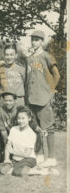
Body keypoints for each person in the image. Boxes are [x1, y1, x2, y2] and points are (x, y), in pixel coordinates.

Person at [26, 30, 60, 167]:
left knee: (48, 127)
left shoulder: (47, 56)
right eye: (32, 39)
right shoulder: (29, 58)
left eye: (36, 39)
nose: (34, 42)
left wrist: (51, 92)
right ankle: (39, 154)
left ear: (41, 41)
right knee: (35, 128)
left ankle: (51, 157)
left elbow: (57, 75)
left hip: (43, 97)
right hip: (31, 97)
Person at [0, 107, 38, 177]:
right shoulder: (13, 129)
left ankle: (39, 171)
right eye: (19, 118)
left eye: (23, 118)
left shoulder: (31, 134)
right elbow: (8, 146)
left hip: (28, 159)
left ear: (29, 119)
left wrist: (12, 151)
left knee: (17, 172)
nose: (20, 121)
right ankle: (18, 169)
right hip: (16, 160)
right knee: (0, 168)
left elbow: (27, 154)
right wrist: (6, 159)